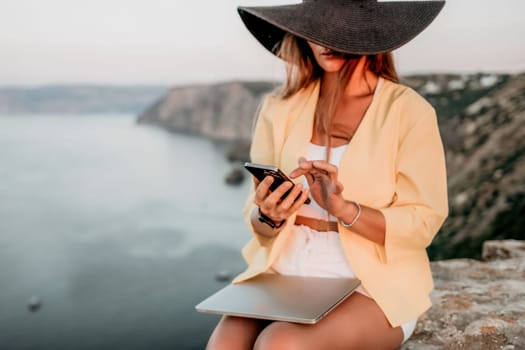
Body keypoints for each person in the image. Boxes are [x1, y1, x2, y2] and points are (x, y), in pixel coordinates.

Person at [208, 0, 448, 349]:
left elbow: (423, 222)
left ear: (369, 33)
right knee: (224, 344)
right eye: (316, 29)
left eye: (338, 30)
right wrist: (269, 215)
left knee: (280, 344)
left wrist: (344, 208)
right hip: (286, 270)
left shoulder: (409, 111)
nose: (323, 42)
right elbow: (256, 218)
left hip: (371, 282)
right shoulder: (279, 108)